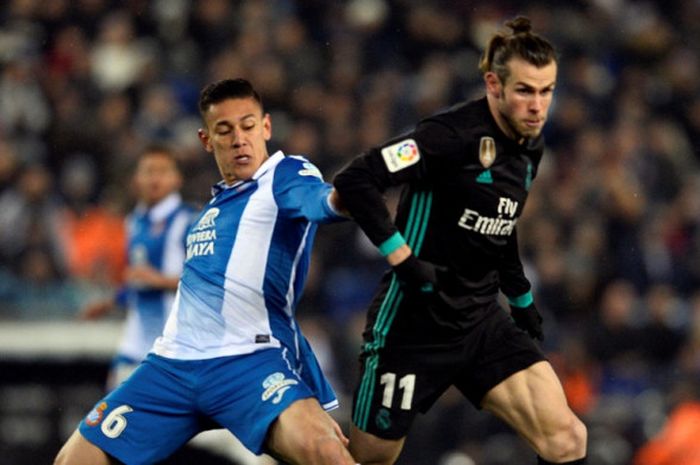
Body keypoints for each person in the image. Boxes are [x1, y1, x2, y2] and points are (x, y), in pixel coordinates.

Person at [55, 78, 356, 465]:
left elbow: (323, 201)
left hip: (249, 361)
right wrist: (117, 298)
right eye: (224, 130)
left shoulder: (283, 176)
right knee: (73, 461)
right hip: (171, 366)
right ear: (206, 140)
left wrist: (350, 192)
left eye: (248, 126)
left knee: (326, 452)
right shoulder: (207, 213)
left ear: (265, 128)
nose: (238, 139)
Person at [333, 17, 587, 465]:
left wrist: (521, 297)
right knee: (368, 461)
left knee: (567, 438)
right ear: (493, 83)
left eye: (547, 90)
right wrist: (403, 259)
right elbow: (356, 180)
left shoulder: (531, 146)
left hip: (479, 320)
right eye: (525, 90)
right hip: (413, 324)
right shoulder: (448, 136)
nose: (538, 105)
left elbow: (500, 223)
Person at [79, 144, 194, 391]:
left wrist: (160, 281)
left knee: (173, 421)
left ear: (177, 178)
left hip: (175, 341)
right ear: (136, 179)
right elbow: (137, 280)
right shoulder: (134, 221)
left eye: (162, 171)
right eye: (148, 171)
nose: (155, 178)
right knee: (115, 411)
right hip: (136, 338)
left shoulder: (189, 220)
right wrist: (111, 302)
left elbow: (206, 279)